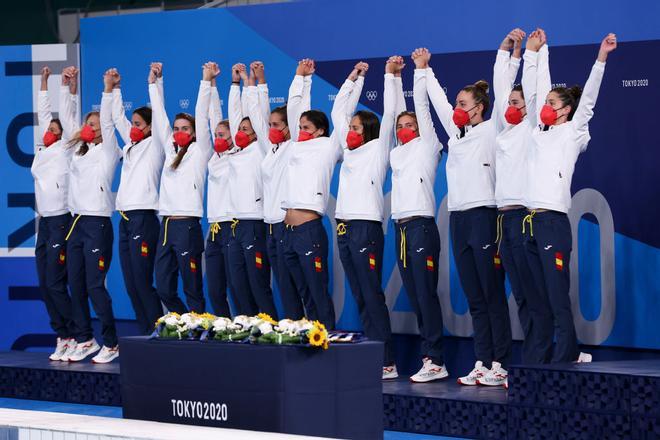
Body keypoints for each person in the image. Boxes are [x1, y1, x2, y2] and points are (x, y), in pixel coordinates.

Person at [521, 31, 617, 363]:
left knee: (557, 294)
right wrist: (537, 52)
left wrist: (601, 58)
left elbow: (588, 99)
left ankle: (565, 357)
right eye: (545, 103)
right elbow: (535, 88)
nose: (545, 108)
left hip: (553, 223)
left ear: (565, 111)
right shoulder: (536, 132)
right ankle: (543, 357)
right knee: (538, 298)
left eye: (552, 104)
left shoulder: (573, 133)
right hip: (528, 222)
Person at [420, 45, 512, 386]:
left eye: (462, 104)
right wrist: (424, 70)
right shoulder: (457, 134)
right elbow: (439, 104)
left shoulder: (493, 129)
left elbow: (503, 90)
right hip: (458, 218)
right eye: (456, 104)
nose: (456, 110)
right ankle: (482, 360)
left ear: (479, 107)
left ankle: (500, 364)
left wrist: (508, 56)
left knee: (491, 293)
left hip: (484, 216)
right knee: (474, 296)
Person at [331, 58, 402, 379]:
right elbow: (338, 113)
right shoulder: (348, 152)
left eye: (356, 128)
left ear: (368, 132)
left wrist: (390, 76)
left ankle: (386, 360)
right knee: (359, 295)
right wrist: (354, 79)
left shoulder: (377, 150)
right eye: (350, 128)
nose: (350, 132)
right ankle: (373, 356)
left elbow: (390, 116)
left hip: (365, 228)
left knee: (372, 295)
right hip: (343, 228)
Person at [389, 50, 447, 383]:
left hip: (422, 228)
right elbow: (397, 111)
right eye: (402, 126)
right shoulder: (397, 152)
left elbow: (421, 109)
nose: (405, 128)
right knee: (415, 297)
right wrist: (392, 77)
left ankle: (436, 359)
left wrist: (418, 71)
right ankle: (429, 358)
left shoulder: (428, 146)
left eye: (410, 125)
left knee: (426, 295)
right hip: (400, 230)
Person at [63, 68, 123, 363]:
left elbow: (109, 123)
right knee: (75, 283)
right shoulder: (77, 152)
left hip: (98, 223)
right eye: (88, 123)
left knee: (94, 285)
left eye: (96, 124)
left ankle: (111, 343)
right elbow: (68, 121)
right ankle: (84, 338)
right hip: (76, 223)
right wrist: (69, 89)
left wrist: (107, 88)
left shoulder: (108, 152)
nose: (92, 127)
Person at [246, 61, 312, 320]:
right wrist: (256, 84)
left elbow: (299, 110)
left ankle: (308, 331)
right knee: (284, 288)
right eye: (270, 124)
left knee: (299, 286)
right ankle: (290, 330)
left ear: (290, 127)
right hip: (269, 227)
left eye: (277, 125)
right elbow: (256, 115)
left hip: (287, 227)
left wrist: (304, 80)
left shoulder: (294, 147)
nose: (271, 129)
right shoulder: (270, 150)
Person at [280, 58, 341, 329]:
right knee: (302, 293)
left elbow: (341, 113)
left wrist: (352, 82)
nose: (301, 130)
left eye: (307, 128)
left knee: (317, 292)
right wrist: (301, 78)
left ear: (320, 131)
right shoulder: (294, 146)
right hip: (287, 233)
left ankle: (327, 339)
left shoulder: (327, 147)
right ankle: (307, 342)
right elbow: (295, 109)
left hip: (309, 231)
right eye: (300, 127)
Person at [151, 62, 214, 314]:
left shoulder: (200, 151)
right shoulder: (169, 150)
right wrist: (155, 82)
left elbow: (201, 113)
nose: (178, 132)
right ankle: (181, 323)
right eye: (176, 129)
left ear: (195, 132)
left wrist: (205, 80)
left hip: (187, 226)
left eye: (185, 129)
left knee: (192, 288)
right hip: (165, 226)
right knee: (164, 288)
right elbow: (158, 115)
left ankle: (197, 333)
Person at [109, 67, 164, 335]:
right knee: (131, 285)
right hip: (126, 220)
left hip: (144, 219)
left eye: (139, 124)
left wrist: (156, 83)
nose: (132, 128)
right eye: (133, 124)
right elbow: (117, 118)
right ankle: (145, 336)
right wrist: (115, 88)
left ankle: (157, 334)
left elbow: (160, 114)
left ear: (151, 127)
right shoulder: (130, 147)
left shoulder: (155, 146)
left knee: (143, 282)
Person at [225, 62, 278, 318]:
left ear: (258, 134)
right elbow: (236, 115)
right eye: (240, 130)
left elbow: (258, 113)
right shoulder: (236, 150)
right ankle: (247, 327)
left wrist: (255, 83)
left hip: (255, 223)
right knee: (238, 284)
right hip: (235, 225)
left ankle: (269, 327)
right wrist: (235, 85)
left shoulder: (262, 149)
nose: (241, 132)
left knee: (258, 284)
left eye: (247, 130)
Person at [31, 66, 76, 361]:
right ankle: (61, 335)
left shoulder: (66, 147)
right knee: (45, 284)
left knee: (56, 281)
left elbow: (65, 116)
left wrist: (66, 88)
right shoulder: (43, 149)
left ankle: (75, 335)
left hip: (61, 219)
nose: (50, 131)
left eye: (55, 130)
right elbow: (43, 113)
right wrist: (43, 81)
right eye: (48, 129)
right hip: (45, 222)